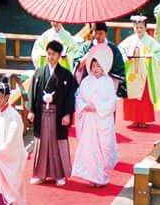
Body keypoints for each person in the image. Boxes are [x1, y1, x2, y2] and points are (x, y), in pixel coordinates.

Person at [29, 41, 79, 185]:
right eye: (49, 53)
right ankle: (41, 174)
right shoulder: (39, 72)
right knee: (42, 143)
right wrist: (31, 110)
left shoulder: (65, 75)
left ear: (59, 56)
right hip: (42, 113)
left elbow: (70, 96)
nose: (50, 57)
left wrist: (67, 114)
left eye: (54, 54)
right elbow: (32, 92)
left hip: (58, 114)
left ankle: (59, 175)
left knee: (58, 143)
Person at [70, 58, 121, 186]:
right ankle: (92, 177)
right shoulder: (86, 81)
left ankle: (101, 177)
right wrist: (84, 107)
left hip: (101, 119)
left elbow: (112, 101)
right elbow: (79, 97)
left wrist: (97, 108)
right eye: (93, 66)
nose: (96, 69)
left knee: (101, 147)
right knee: (89, 148)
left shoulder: (108, 82)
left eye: (98, 66)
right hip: (88, 119)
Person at [120, 13, 160, 127]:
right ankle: (134, 119)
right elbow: (120, 51)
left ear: (145, 28)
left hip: (145, 72)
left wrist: (151, 57)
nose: (139, 30)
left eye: (141, 28)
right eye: (137, 27)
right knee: (132, 96)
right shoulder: (129, 40)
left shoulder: (150, 41)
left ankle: (143, 120)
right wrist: (126, 57)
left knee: (144, 97)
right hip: (132, 73)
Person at [78, 22, 127, 105]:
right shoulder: (87, 46)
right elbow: (78, 66)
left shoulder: (112, 48)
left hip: (107, 86)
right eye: (95, 33)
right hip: (90, 86)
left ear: (105, 33)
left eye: (100, 33)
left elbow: (119, 71)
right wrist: (87, 56)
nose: (98, 36)